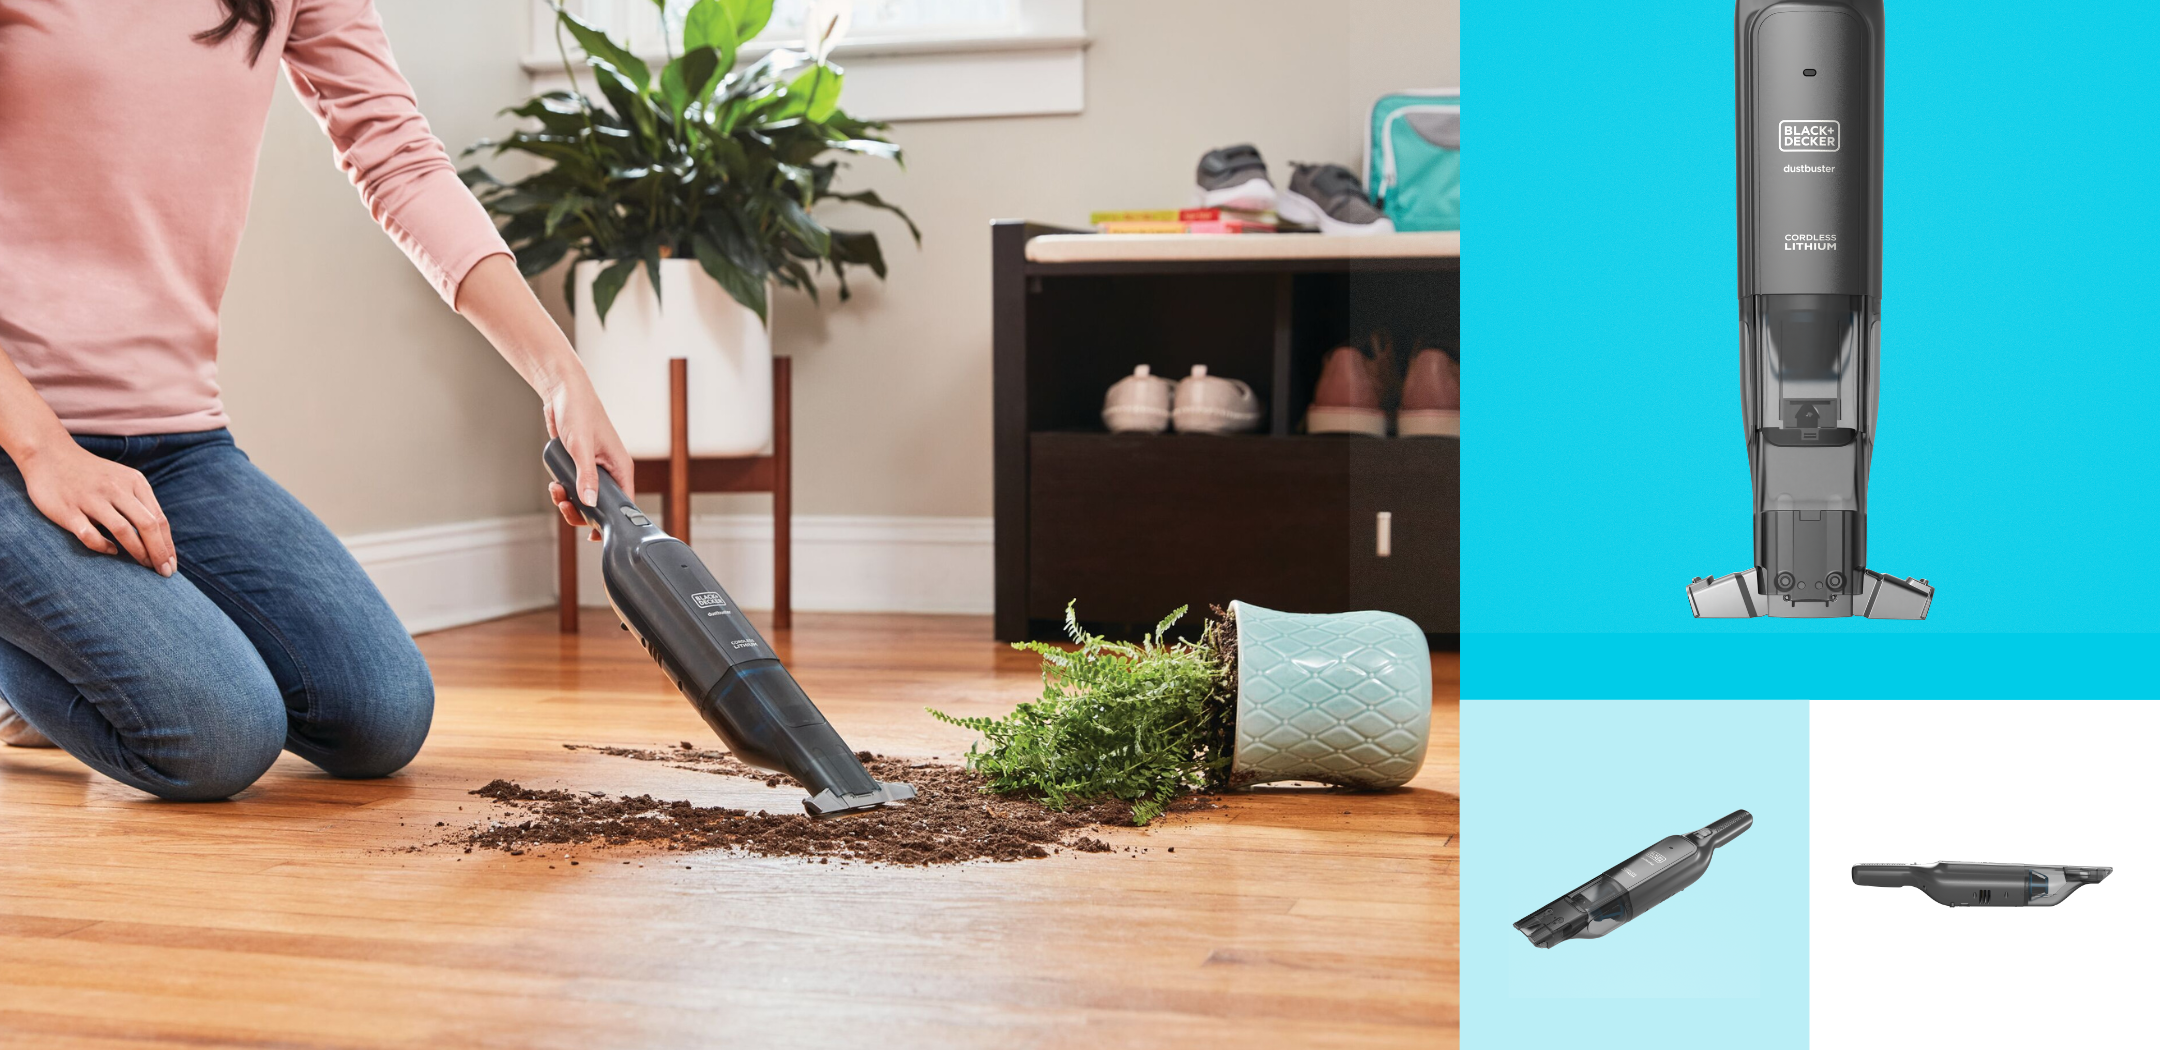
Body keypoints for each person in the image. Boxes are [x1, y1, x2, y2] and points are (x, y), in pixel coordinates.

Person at [0, 1, 631, 800]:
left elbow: (400, 159)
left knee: (381, 714)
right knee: (222, 737)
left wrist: (560, 374)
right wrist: (43, 451)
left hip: (176, 444)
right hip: (14, 440)